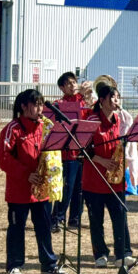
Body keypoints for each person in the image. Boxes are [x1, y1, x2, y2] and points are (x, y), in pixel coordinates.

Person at [0, 88, 60, 274]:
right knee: (17, 227)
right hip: (19, 189)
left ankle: (49, 263)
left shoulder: (45, 126)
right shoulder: (12, 128)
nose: (40, 109)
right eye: (36, 104)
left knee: (44, 226)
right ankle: (14, 265)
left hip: (41, 186)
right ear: (24, 106)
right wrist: (26, 174)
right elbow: (4, 159)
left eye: (42, 104)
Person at [81, 83, 134, 268]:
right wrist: (101, 161)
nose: (116, 100)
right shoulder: (91, 120)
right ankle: (100, 254)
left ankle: (123, 254)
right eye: (112, 97)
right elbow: (81, 149)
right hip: (94, 178)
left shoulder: (119, 120)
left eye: (117, 97)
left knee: (120, 217)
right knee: (96, 221)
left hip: (115, 180)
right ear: (102, 100)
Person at [51, 72, 85, 231]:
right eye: (69, 83)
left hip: (82, 151)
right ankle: (57, 218)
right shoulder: (59, 104)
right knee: (67, 187)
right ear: (62, 88)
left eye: (74, 82)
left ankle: (75, 218)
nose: (73, 86)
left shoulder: (84, 101)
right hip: (67, 153)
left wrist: (88, 97)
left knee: (80, 189)